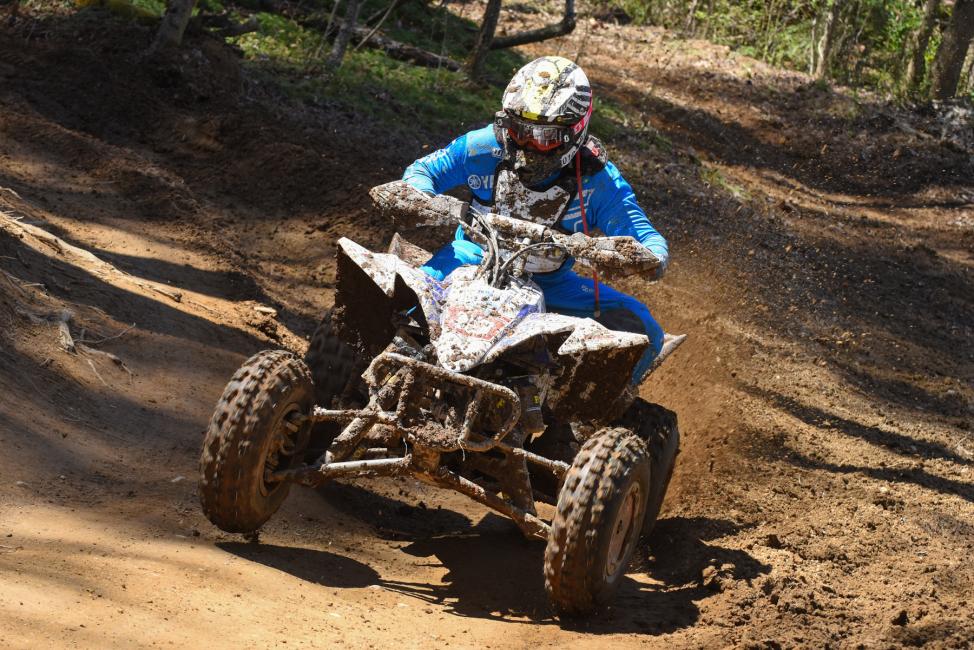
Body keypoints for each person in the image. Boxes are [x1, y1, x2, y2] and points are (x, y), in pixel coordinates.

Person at [400, 55, 669, 383]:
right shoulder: (483, 147)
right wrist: (420, 198)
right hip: (470, 260)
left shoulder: (598, 180)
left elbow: (641, 231)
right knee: (399, 301)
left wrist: (648, 258)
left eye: (546, 137)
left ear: (575, 131)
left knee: (643, 328)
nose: (529, 145)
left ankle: (586, 424)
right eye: (520, 131)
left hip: (551, 283)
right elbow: (424, 170)